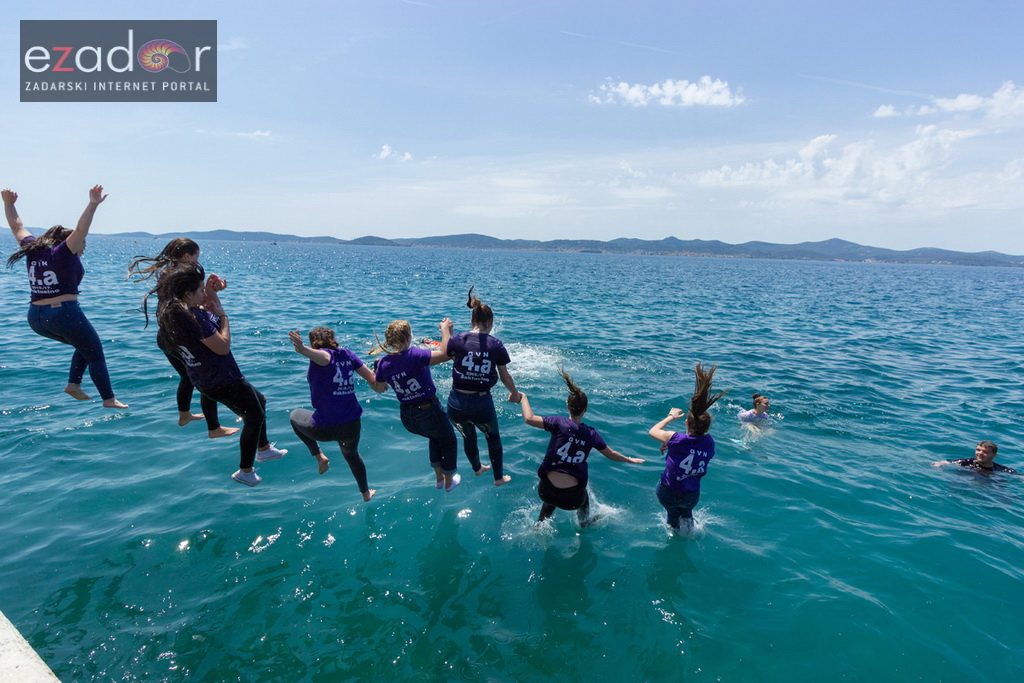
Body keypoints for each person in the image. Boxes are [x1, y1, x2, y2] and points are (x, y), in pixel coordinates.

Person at [154, 263, 286, 486]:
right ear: (188, 294)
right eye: (200, 290)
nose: (203, 294)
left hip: (205, 380)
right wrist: (224, 317)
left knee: (260, 400)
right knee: (254, 418)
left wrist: (211, 291)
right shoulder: (196, 320)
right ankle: (245, 471)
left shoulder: (175, 317)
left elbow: (206, 310)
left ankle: (264, 449)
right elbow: (223, 347)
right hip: (224, 381)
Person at [3, 185, 127, 408]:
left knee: (84, 345)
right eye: (82, 243)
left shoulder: (33, 249)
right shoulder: (64, 252)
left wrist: (9, 204)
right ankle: (108, 399)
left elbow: (16, 227)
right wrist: (93, 204)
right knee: (95, 353)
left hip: (35, 317)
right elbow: (81, 229)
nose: (83, 247)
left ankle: (74, 385)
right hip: (63, 313)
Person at [132, 238, 237, 438]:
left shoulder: (171, 275)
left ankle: (184, 415)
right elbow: (191, 306)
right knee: (208, 375)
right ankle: (214, 427)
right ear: (187, 256)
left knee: (188, 376)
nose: (198, 261)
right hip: (178, 337)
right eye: (196, 257)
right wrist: (211, 294)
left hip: (167, 336)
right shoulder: (177, 277)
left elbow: (191, 304)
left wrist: (211, 290)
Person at [516, 367, 643, 526]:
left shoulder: (558, 423)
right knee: (584, 498)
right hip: (572, 500)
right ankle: (584, 523)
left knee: (552, 494)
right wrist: (629, 459)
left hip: (545, 491)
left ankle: (540, 524)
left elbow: (529, 419)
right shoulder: (591, 434)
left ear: (567, 406)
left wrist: (523, 398)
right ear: (585, 409)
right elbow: (611, 454)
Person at [370, 318, 462, 492]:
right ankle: (449, 482)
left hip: (407, 417)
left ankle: (439, 479)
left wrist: (374, 373)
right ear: (407, 338)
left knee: (435, 437)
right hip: (429, 411)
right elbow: (446, 355)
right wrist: (445, 330)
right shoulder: (414, 355)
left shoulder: (383, 363)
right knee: (449, 441)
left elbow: (379, 388)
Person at [289, 327, 377, 501]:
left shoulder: (323, 356)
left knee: (294, 416)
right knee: (352, 455)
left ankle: (319, 456)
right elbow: (372, 378)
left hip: (324, 428)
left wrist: (303, 349)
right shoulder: (348, 355)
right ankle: (366, 493)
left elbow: (325, 358)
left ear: (313, 342)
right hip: (352, 425)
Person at [445, 287, 520, 486]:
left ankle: (477, 468)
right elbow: (504, 376)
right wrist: (514, 393)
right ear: (489, 323)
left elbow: (449, 355)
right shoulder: (496, 344)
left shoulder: (458, 339)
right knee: (493, 437)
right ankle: (498, 478)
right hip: (481, 404)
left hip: (456, 403)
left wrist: (448, 333)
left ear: (472, 320)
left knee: (468, 436)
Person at [649, 363, 727, 533]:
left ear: (686, 423)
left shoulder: (676, 439)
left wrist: (670, 417)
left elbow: (653, 431)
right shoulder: (709, 442)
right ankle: (689, 532)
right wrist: (671, 444)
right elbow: (693, 447)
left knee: (672, 513)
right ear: (707, 428)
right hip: (691, 494)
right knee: (686, 513)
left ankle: (674, 532)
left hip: (668, 491)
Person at [932, 441, 1018, 474]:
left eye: (985, 452)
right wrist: (939, 464)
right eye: (978, 450)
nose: (980, 453)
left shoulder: (999, 468)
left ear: (994, 455)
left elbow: (1016, 475)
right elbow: (946, 462)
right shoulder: (967, 462)